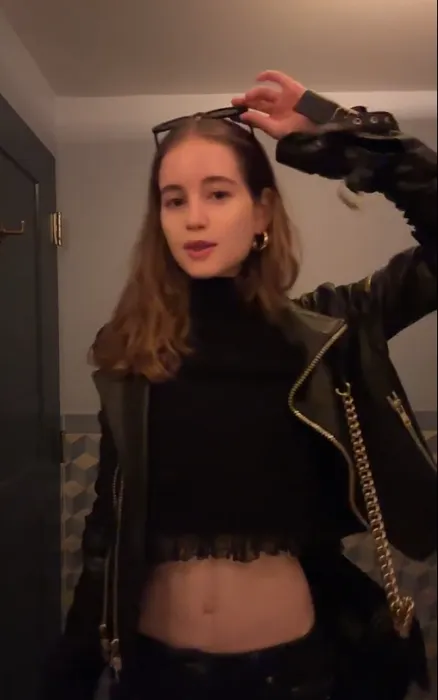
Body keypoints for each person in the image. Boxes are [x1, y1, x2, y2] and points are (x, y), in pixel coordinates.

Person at [41, 71, 437, 700]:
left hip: (293, 675)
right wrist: (69, 673)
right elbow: (107, 527)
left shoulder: (327, 330)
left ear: (262, 212)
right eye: (174, 200)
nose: (194, 218)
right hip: (153, 675)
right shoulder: (132, 352)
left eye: (218, 193)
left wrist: (342, 129)